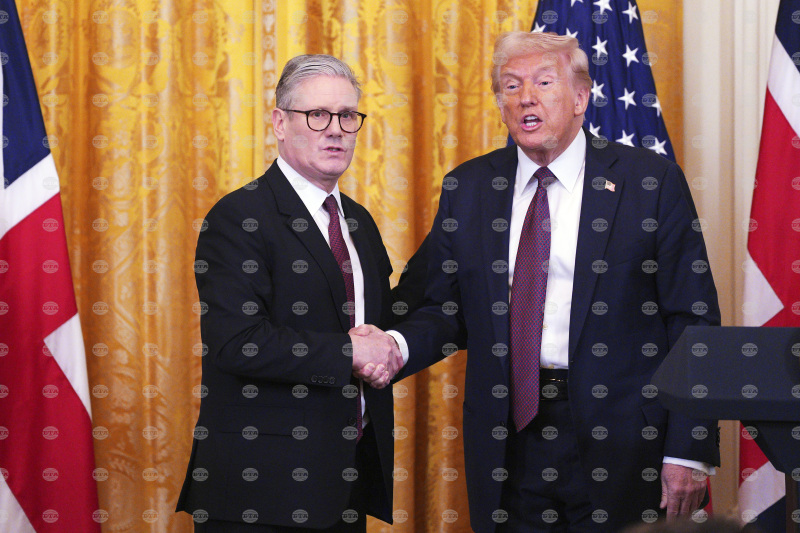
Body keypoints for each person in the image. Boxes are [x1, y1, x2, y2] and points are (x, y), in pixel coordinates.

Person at [364, 31, 722, 532]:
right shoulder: (469, 187)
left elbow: (693, 321)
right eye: (511, 86)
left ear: (580, 98)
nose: (525, 97)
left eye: (544, 82)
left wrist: (688, 448)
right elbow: (440, 306)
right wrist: (389, 347)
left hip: (625, 443)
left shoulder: (649, 182)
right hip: (508, 443)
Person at [176, 54, 404, 532]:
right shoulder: (239, 216)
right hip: (260, 491)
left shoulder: (358, 222)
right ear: (280, 123)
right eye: (317, 115)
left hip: (345, 483)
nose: (335, 130)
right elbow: (237, 342)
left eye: (347, 116)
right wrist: (351, 352)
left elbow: (378, 325)